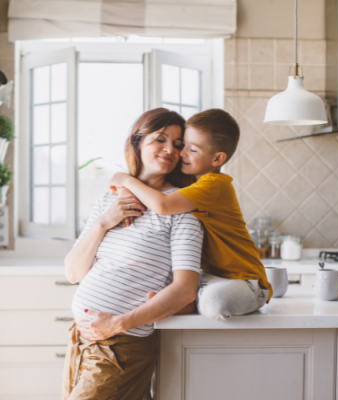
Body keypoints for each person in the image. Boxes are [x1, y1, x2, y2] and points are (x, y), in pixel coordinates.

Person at [63, 108, 204, 400]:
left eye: (178, 145)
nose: (169, 149)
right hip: (80, 339)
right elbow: (73, 273)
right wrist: (105, 221)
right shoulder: (109, 200)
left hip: (120, 346)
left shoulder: (182, 213)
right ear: (137, 142)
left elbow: (186, 289)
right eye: (160, 139)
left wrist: (116, 324)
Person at [109, 108, 272, 321]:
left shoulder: (214, 185)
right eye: (182, 145)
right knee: (186, 288)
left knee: (214, 303)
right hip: (210, 278)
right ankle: (186, 301)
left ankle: (188, 302)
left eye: (192, 149)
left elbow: (163, 205)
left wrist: (125, 179)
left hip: (247, 282)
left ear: (217, 158)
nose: (181, 153)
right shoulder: (192, 187)